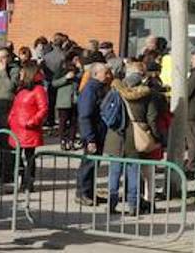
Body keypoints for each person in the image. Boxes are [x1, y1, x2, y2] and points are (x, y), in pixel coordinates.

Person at [103, 65, 162, 214]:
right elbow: (152, 117)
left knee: (114, 172)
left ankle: (111, 203)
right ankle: (134, 205)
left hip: (115, 136)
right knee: (133, 172)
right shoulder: (146, 95)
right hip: (135, 137)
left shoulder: (115, 90)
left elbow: (104, 110)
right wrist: (156, 137)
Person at [7, 61, 48, 193]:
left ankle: (28, 183)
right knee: (17, 158)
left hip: (28, 130)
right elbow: (15, 106)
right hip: (16, 129)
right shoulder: (22, 89)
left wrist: (31, 122)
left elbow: (43, 109)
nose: (20, 73)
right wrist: (10, 118)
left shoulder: (38, 90)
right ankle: (21, 181)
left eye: (22, 71)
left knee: (29, 157)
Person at [76, 63, 110, 205]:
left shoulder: (99, 88)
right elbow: (85, 115)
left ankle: (89, 192)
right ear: (96, 74)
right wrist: (89, 138)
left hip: (99, 132)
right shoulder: (90, 89)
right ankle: (82, 193)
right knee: (88, 164)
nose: (108, 75)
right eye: (105, 73)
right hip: (92, 133)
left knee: (94, 164)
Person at [0, 47, 21, 181]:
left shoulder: (14, 70)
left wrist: (2, 71)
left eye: (4, 57)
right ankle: (2, 167)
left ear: (9, 58)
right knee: (0, 140)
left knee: (7, 141)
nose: (1, 60)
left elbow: (9, 87)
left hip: (6, 108)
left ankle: (9, 172)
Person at [52, 54, 78, 151]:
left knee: (73, 122)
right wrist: (65, 78)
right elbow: (54, 83)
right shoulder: (61, 70)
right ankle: (63, 140)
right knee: (63, 122)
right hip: (63, 101)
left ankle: (71, 140)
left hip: (75, 100)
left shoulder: (78, 70)